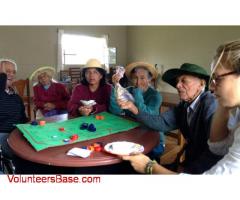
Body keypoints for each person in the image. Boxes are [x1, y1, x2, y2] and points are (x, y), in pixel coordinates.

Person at [119, 63, 221, 174]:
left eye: (184, 81)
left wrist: (185, 171)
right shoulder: (183, 106)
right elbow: (160, 122)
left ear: (201, 84)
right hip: (190, 165)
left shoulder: (210, 103)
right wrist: (134, 109)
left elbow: (215, 153)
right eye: (178, 81)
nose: (177, 85)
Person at [109, 62, 165, 160]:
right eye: (135, 78)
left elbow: (147, 116)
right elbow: (115, 111)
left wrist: (137, 92)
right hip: (133, 135)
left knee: (144, 162)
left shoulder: (156, 96)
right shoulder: (128, 91)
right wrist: (116, 86)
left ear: (150, 79)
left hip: (153, 138)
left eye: (142, 78)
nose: (138, 82)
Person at [0, 59, 27, 159]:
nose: (11, 74)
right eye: (7, 71)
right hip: (3, 134)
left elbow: (23, 118)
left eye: (13, 72)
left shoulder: (16, 97)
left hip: (17, 133)